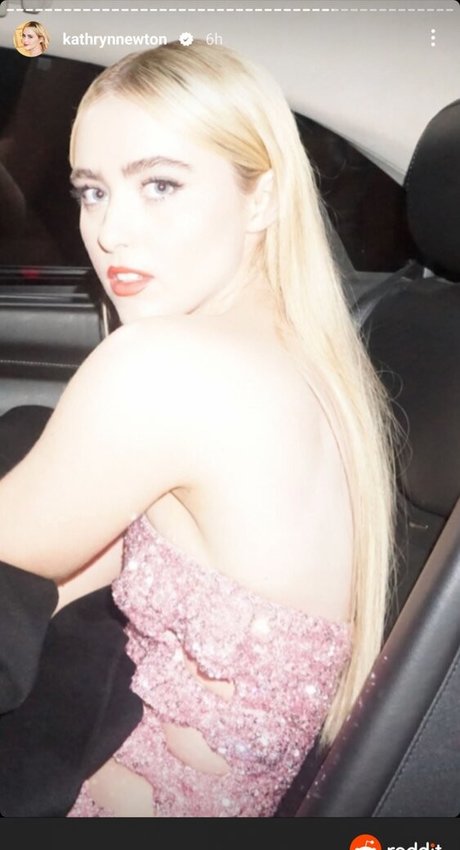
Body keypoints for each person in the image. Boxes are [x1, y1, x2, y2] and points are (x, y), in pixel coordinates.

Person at [0, 40, 396, 817]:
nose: (110, 232)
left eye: (160, 184)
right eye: (92, 192)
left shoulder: (165, 366)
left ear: (262, 197)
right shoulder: (306, 354)